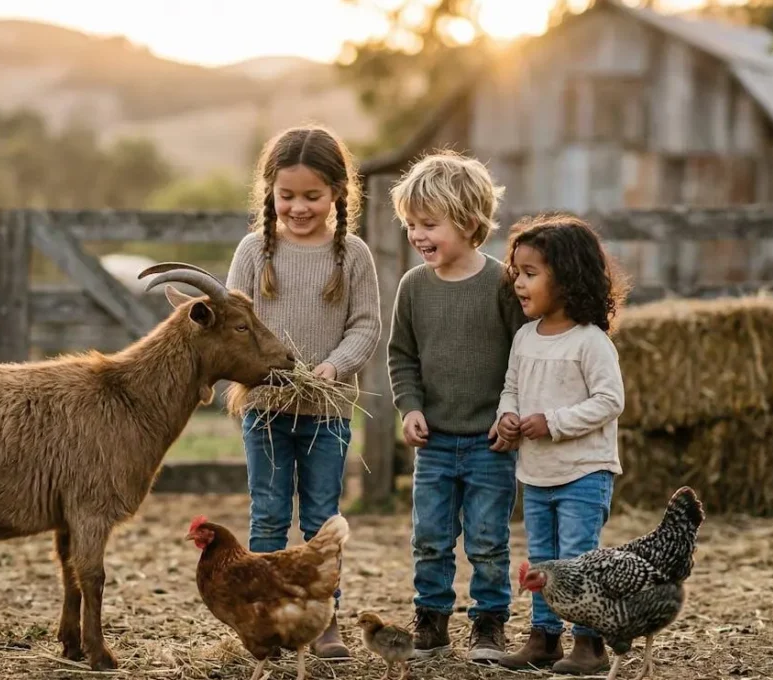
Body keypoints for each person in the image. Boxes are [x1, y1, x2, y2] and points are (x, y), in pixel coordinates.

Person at [224, 125, 382, 660]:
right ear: (270, 191)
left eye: (312, 196)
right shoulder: (254, 251)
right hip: (266, 409)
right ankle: (266, 618)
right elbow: (233, 323)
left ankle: (322, 620)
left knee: (320, 518)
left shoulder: (352, 254)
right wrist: (255, 372)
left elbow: (365, 325)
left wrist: (335, 367)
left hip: (327, 412)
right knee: (268, 513)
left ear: (337, 191)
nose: (298, 207)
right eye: (286, 195)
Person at [386, 149, 527, 663]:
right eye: (411, 225)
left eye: (429, 224)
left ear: (468, 223)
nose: (417, 235)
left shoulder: (502, 285)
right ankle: (431, 620)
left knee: (488, 541)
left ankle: (489, 623)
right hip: (436, 444)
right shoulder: (413, 288)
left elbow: (523, 356)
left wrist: (510, 415)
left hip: (491, 443)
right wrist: (409, 408)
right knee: (429, 537)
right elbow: (402, 356)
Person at [493, 212, 630, 675]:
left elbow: (610, 401)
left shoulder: (591, 342)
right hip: (537, 474)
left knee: (578, 560)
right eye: (516, 272)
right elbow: (511, 388)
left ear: (567, 278)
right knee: (543, 561)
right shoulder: (524, 338)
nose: (519, 283)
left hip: (583, 473)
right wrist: (507, 417)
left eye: (530, 273)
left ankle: (589, 644)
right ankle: (544, 637)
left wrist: (552, 423)